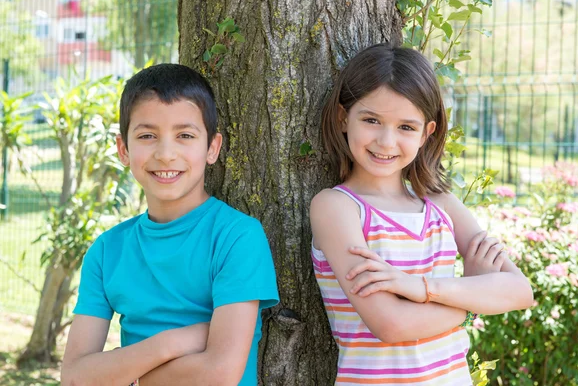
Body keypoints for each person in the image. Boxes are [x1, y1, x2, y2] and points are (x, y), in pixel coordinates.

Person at [310, 44, 533, 385]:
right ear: (344, 118)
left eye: (406, 127)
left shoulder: (441, 206)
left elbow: (519, 291)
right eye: (371, 120)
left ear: (427, 133)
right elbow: (391, 325)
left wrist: (417, 287)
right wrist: (473, 297)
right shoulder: (336, 208)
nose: (386, 141)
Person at [61, 64, 279, 386]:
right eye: (147, 136)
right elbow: (75, 377)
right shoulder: (107, 251)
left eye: (185, 136)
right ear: (124, 149)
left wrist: (129, 375)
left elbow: (220, 374)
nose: (165, 154)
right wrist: (171, 343)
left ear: (212, 148)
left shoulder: (237, 238)